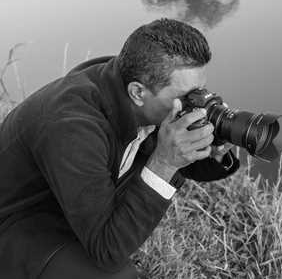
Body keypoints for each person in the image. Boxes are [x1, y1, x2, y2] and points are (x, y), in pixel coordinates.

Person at [0, 18, 240, 279]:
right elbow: (108, 249)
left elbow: (184, 166)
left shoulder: (133, 84)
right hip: (19, 223)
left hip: (68, 200)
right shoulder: (72, 127)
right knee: (117, 275)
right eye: (186, 97)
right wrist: (164, 163)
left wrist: (212, 151)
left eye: (200, 91)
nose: (198, 104)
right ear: (138, 92)